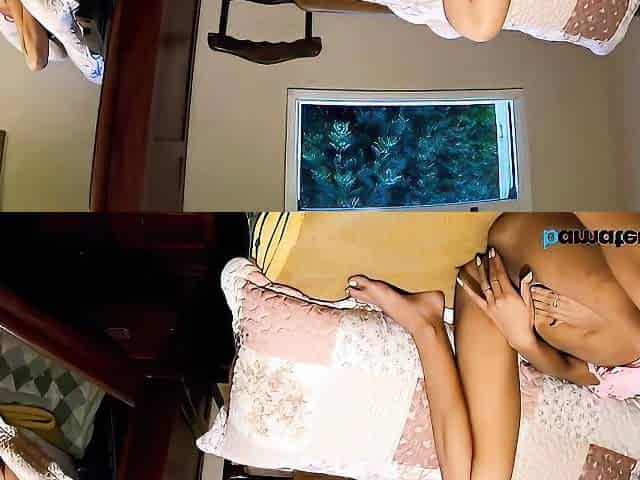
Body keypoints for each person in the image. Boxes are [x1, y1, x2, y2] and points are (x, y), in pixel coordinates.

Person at [346, 212, 640, 480]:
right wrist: (614, 319)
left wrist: (523, 339)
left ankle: (424, 325)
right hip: (555, 238)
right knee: (627, 341)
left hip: (495, 286)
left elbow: (579, 373)